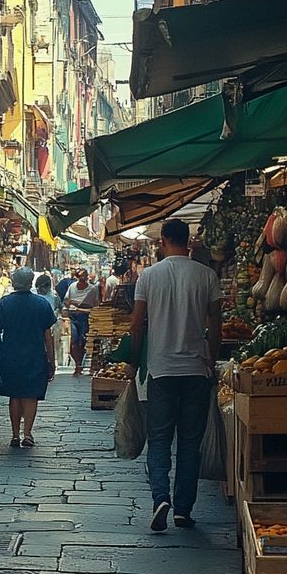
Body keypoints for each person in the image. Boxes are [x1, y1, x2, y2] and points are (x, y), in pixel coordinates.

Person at [127, 219, 221, 532]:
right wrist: (212, 358)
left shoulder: (149, 276)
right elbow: (216, 325)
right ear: (190, 240)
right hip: (196, 371)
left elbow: (136, 323)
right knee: (190, 443)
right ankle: (183, 509)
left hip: (161, 370)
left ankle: (160, 497)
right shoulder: (207, 275)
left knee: (159, 440)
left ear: (163, 240)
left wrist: (136, 360)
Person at [0, 267, 57, 448]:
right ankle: (27, 434)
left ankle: (14, 435)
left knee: (15, 395)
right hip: (34, 356)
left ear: (13, 282)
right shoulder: (42, 304)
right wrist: (52, 360)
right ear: (30, 283)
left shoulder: (4, 303)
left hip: (10, 355)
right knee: (31, 395)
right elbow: (48, 336)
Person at [63, 270, 100, 376]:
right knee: (74, 342)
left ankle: (80, 365)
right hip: (73, 316)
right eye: (81, 276)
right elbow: (67, 301)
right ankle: (77, 364)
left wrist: (77, 304)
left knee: (82, 341)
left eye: (84, 276)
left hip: (85, 317)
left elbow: (95, 304)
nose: (83, 278)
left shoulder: (92, 289)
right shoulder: (72, 287)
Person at [35, 274, 62, 378]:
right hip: (47, 324)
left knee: (48, 345)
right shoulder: (53, 296)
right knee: (48, 345)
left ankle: (50, 365)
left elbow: (59, 308)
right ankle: (50, 365)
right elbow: (59, 308)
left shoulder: (54, 296)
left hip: (49, 325)